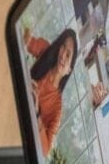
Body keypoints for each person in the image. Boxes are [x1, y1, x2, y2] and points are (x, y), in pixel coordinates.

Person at [23, 27, 79, 155]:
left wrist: (37, 112)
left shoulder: (57, 108)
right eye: (63, 47)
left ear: (69, 70)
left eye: (68, 54)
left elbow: (45, 150)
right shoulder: (46, 51)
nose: (63, 55)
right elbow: (25, 40)